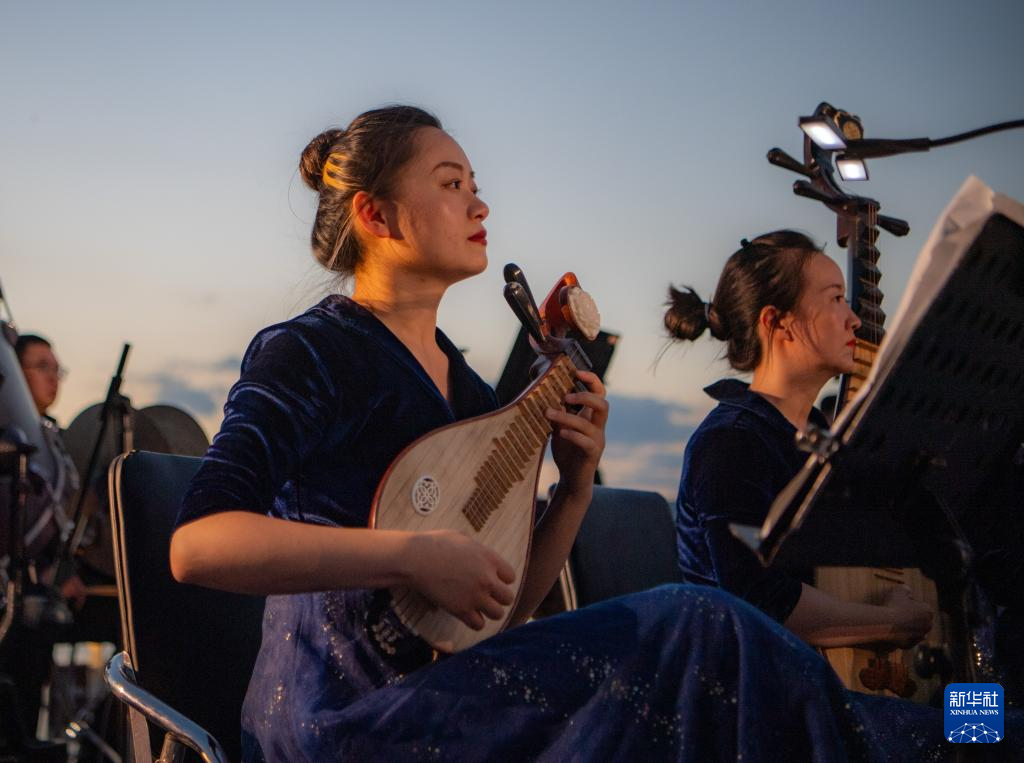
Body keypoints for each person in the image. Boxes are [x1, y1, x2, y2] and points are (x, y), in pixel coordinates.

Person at [170, 108, 951, 761]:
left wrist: (574, 488)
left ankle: (967, 732)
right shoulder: (309, 351)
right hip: (346, 722)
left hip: (454, 697)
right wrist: (409, 553)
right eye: (452, 185)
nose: (480, 205)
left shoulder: (465, 389)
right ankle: (950, 739)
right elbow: (198, 545)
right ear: (376, 216)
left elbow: (499, 612)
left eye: (476, 186)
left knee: (754, 681)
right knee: (704, 626)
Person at [667, 232, 936, 648]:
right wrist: (892, 625)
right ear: (777, 322)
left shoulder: (819, 442)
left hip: (815, 672)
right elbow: (759, 601)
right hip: (753, 680)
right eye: (835, 299)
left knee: (983, 694)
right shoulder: (732, 441)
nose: (854, 320)